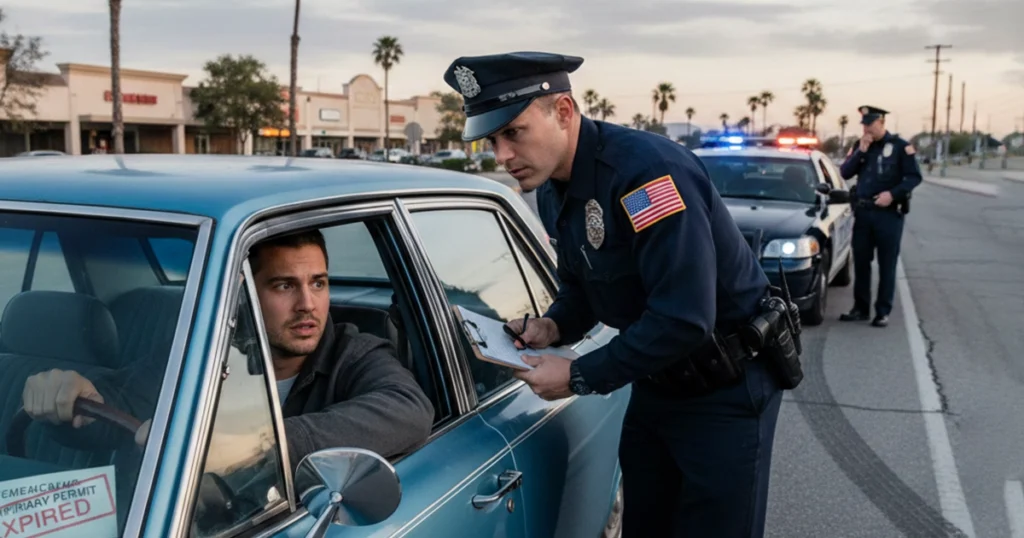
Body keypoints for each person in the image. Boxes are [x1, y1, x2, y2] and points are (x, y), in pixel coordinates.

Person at [442, 51, 789, 537]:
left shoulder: (646, 175)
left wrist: (579, 375)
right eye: (492, 140)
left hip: (724, 390)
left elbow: (685, 315)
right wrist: (554, 325)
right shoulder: (551, 188)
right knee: (646, 525)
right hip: (655, 382)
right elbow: (583, 288)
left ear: (562, 111)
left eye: (513, 133)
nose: (501, 156)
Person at [21, 229, 434, 467]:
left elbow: (409, 410)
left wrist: (261, 443)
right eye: (284, 285)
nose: (308, 304)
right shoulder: (205, 354)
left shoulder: (354, 352)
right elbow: (122, 403)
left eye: (319, 283)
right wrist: (68, 401)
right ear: (245, 295)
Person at [838, 105, 923, 327]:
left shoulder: (900, 147)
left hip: (888, 215)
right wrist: (861, 151)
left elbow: (913, 177)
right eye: (864, 124)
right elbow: (845, 172)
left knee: (887, 264)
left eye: (870, 124)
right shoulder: (861, 145)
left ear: (882, 123)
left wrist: (892, 195)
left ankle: (882, 311)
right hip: (864, 213)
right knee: (861, 263)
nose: (867, 128)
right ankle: (860, 308)